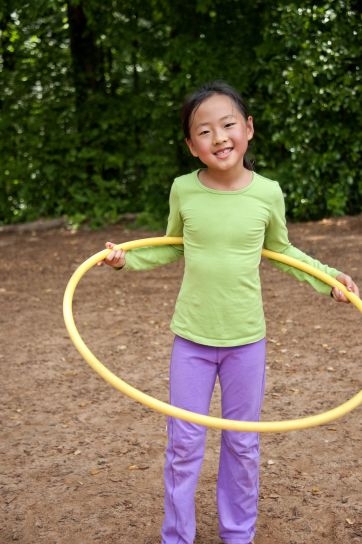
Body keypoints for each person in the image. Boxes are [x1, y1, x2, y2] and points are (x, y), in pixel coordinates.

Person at [100, 81, 360, 544]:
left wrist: (328, 280)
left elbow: (283, 251)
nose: (219, 137)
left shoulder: (267, 193)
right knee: (184, 443)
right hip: (192, 341)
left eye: (228, 124)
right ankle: (176, 536)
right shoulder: (184, 190)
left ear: (248, 129)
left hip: (246, 343)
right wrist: (125, 258)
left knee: (242, 443)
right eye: (204, 131)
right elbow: (167, 247)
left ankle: (238, 534)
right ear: (191, 146)